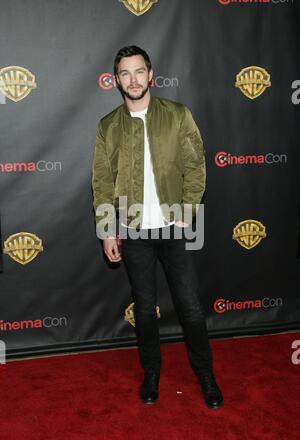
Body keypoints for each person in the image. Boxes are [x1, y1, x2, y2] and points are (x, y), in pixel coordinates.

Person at [92, 45, 223, 409]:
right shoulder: (108, 127)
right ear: (116, 80)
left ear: (151, 75)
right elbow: (102, 184)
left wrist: (187, 210)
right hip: (133, 232)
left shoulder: (178, 115)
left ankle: (206, 375)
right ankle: (151, 372)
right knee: (145, 310)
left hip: (174, 229)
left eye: (138, 71)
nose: (132, 79)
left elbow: (196, 167)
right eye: (124, 73)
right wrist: (107, 230)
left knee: (190, 308)